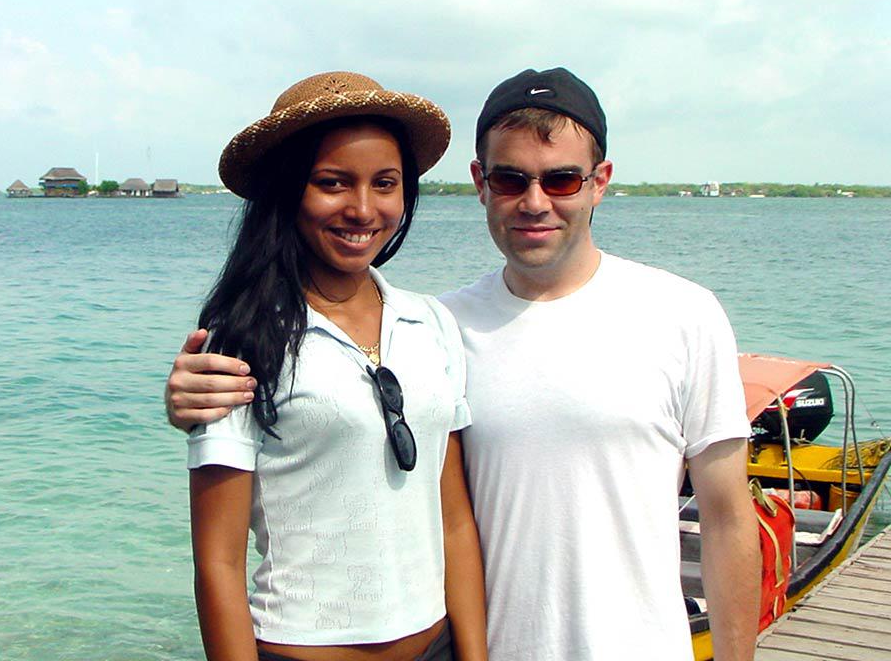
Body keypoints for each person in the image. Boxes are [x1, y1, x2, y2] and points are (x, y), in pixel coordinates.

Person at [167, 67, 760, 661]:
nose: (535, 202)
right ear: (481, 182)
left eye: (561, 180)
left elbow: (729, 520)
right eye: (510, 179)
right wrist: (187, 399)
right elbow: (230, 545)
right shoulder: (442, 325)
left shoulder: (681, 315)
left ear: (599, 181)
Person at [182, 71, 487, 661]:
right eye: (332, 183)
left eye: (385, 183)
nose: (363, 209)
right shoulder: (242, 341)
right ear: (287, 189)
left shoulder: (430, 323)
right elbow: (218, 563)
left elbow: (453, 521)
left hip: (436, 646)